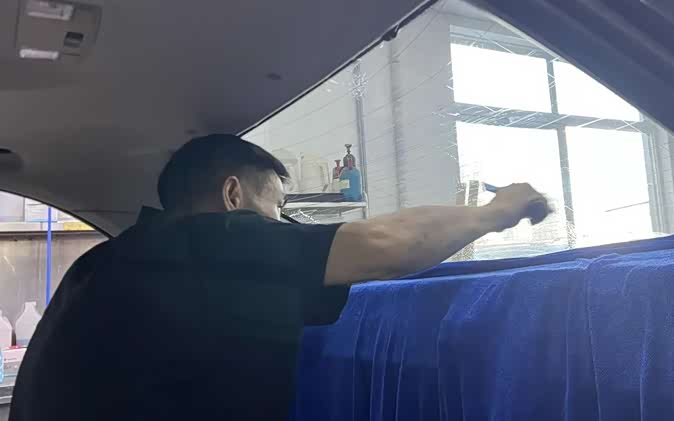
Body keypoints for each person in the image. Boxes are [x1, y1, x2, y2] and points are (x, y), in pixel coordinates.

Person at [9, 134, 550, 421]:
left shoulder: (109, 261)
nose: (282, 224)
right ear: (232, 196)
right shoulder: (211, 241)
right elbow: (385, 246)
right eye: (278, 207)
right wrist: (495, 212)